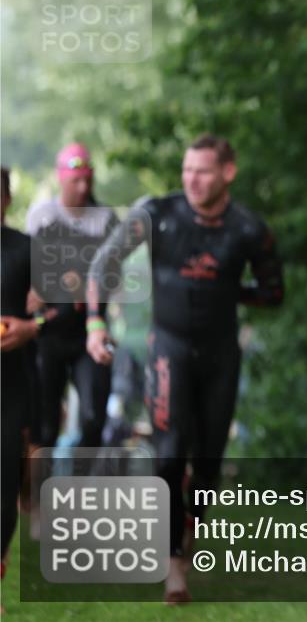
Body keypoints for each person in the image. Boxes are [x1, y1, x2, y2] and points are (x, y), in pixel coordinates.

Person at [85, 134, 284, 603]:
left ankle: (186, 527)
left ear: (228, 173)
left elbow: (274, 293)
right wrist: (95, 324)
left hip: (220, 356)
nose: (191, 179)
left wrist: (225, 289)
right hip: (167, 349)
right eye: (186, 169)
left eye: (204, 170)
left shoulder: (249, 229)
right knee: (170, 453)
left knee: (209, 463)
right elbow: (103, 263)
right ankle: (175, 562)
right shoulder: (157, 214)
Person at [26, 142, 118, 450]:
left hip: (88, 333)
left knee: (94, 417)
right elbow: (32, 272)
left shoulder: (105, 219)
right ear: (60, 178)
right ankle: (40, 491)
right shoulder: (41, 216)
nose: (81, 188)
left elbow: (110, 277)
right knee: (46, 425)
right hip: (48, 331)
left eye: (87, 181)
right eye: (74, 181)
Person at [1, 166, 41, 593]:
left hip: (9, 386)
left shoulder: (28, 250)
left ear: (6, 199)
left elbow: (65, 309)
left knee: (5, 483)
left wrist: (33, 327)